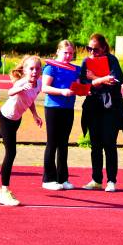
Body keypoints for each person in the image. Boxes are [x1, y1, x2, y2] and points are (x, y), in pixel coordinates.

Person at [0, 55, 43, 206]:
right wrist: (20, 87)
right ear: (25, 70)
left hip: (16, 118)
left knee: (4, 135)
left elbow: (30, 100)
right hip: (5, 116)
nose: (34, 71)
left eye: (37, 69)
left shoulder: (39, 83)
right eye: (31, 69)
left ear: (40, 71)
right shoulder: (22, 82)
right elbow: (10, 92)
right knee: (11, 152)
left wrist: (35, 115)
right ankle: (3, 191)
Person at [80, 33, 123, 192]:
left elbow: (115, 80)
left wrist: (95, 78)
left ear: (103, 48)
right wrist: (97, 82)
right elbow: (83, 82)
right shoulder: (86, 61)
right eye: (89, 48)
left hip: (111, 108)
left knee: (109, 144)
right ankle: (96, 179)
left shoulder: (111, 60)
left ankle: (111, 180)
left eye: (95, 49)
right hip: (93, 107)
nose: (92, 52)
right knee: (95, 145)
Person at [42, 40, 80, 191]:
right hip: (53, 108)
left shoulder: (74, 69)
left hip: (68, 109)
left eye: (71, 53)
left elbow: (77, 86)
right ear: (58, 52)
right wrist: (62, 92)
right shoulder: (51, 67)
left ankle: (62, 178)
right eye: (65, 53)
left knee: (64, 144)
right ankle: (48, 179)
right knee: (52, 143)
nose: (68, 56)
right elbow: (45, 88)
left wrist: (83, 90)